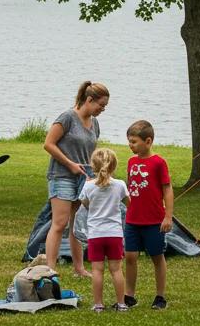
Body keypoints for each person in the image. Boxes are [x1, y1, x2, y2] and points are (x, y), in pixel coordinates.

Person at [43, 81, 110, 275]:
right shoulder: (67, 118)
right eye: (101, 105)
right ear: (89, 100)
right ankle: (50, 270)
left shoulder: (94, 123)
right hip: (61, 175)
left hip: (85, 177)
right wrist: (70, 164)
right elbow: (48, 144)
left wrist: (98, 170)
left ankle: (79, 268)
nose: (102, 110)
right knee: (60, 223)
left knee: (77, 223)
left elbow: (90, 150)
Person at [123, 119, 174, 310]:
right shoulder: (131, 162)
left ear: (148, 141)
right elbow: (130, 188)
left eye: (134, 142)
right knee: (130, 256)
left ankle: (160, 296)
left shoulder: (158, 163)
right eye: (129, 141)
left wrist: (167, 216)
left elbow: (167, 189)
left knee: (156, 256)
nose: (130, 145)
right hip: (132, 219)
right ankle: (129, 295)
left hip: (154, 220)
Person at [79, 147, 130, 312]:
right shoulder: (120, 185)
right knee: (116, 269)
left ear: (93, 166)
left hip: (95, 234)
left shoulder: (88, 186)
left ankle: (99, 304)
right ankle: (121, 303)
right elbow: (129, 204)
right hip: (114, 234)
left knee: (97, 270)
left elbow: (85, 204)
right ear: (114, 166)